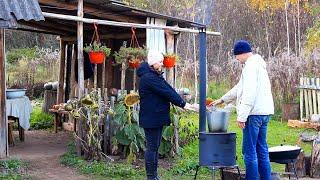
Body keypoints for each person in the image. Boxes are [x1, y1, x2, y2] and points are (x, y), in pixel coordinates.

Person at [212, 40, 274, 180]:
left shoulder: (250, 67)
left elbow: (249, 93)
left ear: (243, 53)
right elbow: (240, 87)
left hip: (253, 115)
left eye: (237, 56)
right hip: (264, 112)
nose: (236, 59)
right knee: (262, 149)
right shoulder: (258, 65)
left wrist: (242, 116)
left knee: (249, 151)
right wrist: (223, 99)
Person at [137, 50, 193, 180]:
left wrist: (183, 103)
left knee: (155, 147)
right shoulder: (149, 78)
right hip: (151, 118)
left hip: (155, 117)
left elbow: (168, 89)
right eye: (160, 62)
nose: (162, 64)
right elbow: (166, 92)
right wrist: (183, 104)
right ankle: (151, 177)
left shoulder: (153, 75)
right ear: (153, 62)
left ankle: (154, 176)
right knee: (152, 148)